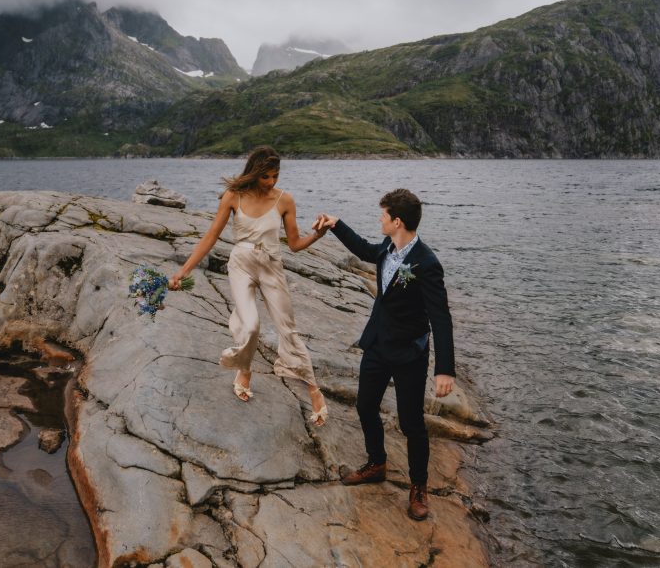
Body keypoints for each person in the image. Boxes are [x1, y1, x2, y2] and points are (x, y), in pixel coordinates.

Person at [314, 189, 455, 521]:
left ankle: (419, 487)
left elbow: (440, 317)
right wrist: (336, 225)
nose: (379, 219)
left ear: (397, 221)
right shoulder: (387, 248)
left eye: (383, 215)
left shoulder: (427, 263)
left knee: (411, 423)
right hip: (378, 344)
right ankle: (376, 463)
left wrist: (444, 369)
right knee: (365, 406)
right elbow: (364, 249)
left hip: (409, 353)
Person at [169, 146, 329, 425]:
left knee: (287, 327)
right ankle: (243, 368)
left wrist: (318, 234)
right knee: (251, 325)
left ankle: (313, 388)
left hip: (272, 267)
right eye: (266, 176)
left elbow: (294, 245)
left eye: (276, 176)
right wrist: (183, 271)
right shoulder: (234, 196)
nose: (272, 182)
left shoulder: (285, 200)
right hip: (241, 265)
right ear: (254, 173)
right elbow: (210, 237)